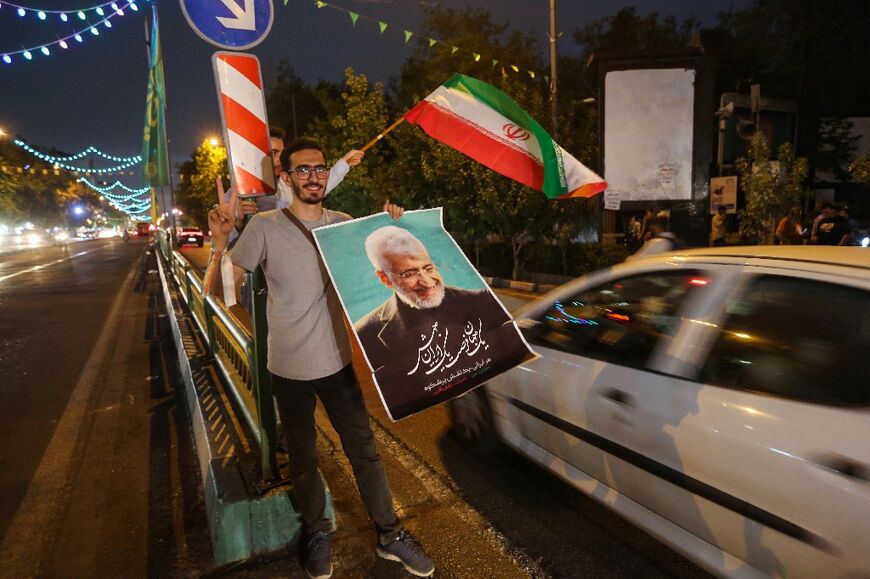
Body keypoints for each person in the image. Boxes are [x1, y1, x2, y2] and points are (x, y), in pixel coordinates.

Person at [206, 138, 434, 579]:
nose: (314, 176)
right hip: (288, 368)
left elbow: (389, 265)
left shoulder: (344, 225)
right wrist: (220, 243)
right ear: (287, 178)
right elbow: (221, 291)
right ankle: (316, 532)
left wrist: (398, 225)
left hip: (338, 363)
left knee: (364, 454)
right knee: (305, 460)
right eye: (303, 169)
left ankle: (390, 535)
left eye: (320, 168)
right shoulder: (266, 227)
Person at [354, 226, 517, 376]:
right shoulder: (365, 333)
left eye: (428, 268)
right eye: (409, 274)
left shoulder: (481, 301)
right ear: (384, 278)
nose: (427, 282)